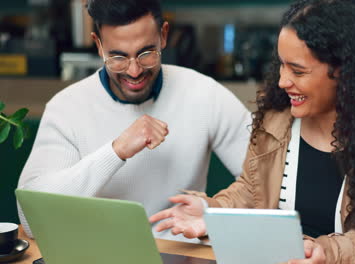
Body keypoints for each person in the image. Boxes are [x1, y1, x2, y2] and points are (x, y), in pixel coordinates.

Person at [150, 0, 355, 262]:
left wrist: (322, 250)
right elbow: (250, 191)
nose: (283, 81)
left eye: (297, 70)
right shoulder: (276, 121)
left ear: (343, 71)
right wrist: (211, 210)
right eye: (282, 65)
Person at [17, 0, 251, 242]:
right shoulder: (66, 107)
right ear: (98, 45)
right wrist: (115, 151)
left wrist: (214, 212)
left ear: (163, 35)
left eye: (146, 53)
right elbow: (31, 218)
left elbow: (270, 178)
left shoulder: (205, 94)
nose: (134, 71)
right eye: (118, 57)